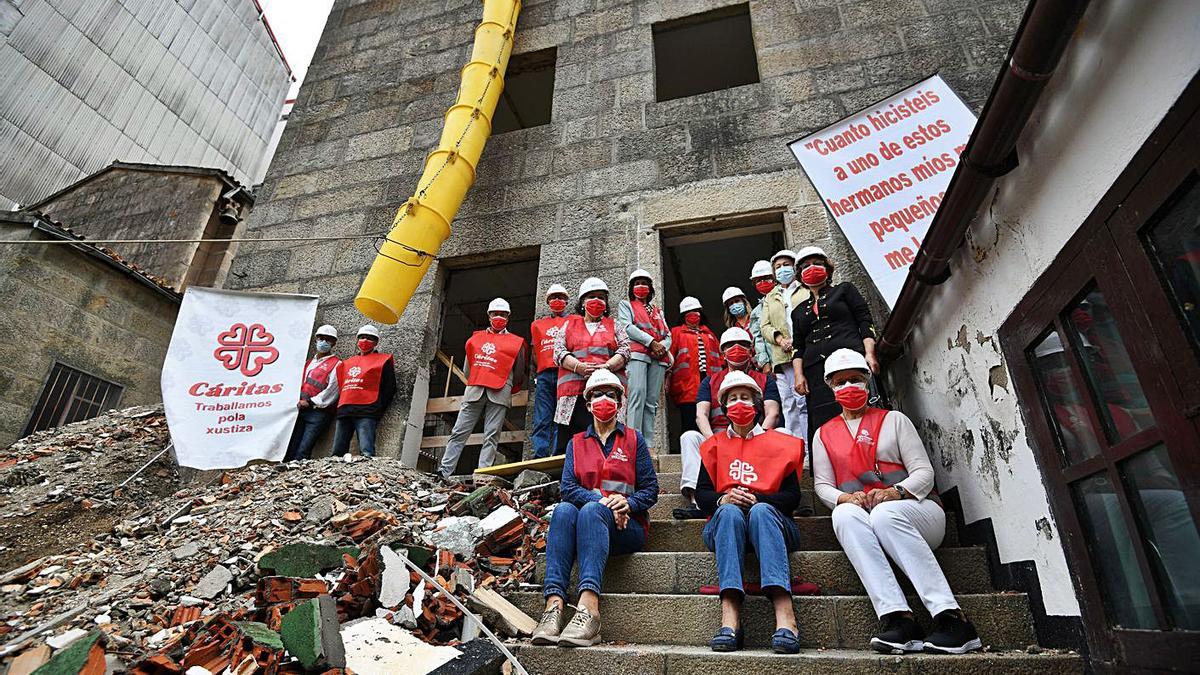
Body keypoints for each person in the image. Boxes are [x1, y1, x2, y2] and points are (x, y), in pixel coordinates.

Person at [813, 349, 981, 655]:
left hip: (919, 514)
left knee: (885, 515)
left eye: (855, 379)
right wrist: (844, 498)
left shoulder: (894, 420)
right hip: (868, 518)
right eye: (840, 382)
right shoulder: (823, 434)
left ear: (867, 381)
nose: (849, 386)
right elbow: (822, 485)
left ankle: (952, 619)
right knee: (843, 516)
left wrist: (896, 492)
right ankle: (899, 620)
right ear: (831, 388)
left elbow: (924, 474)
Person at [532, 369, 659, 648]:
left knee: (589, 511)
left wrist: (627, 502)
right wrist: (603, 501)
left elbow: (651, 490)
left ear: (620, 403)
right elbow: (568, 488)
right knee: (565, 510)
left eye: (611, 395)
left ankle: (589, 609)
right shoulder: (576, 443)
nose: (605, 399)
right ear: (588, 404)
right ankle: (553, 606)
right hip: (590, 526)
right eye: (598, 394)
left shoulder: (635, 440)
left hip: (628, 528)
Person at [695, 371, 805, 654]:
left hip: (774, 524)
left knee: (761, 512)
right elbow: (703, 495)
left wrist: (758, 499)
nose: (739, 403)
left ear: (756, 404)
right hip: (726, 526)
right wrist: (724, 499)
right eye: (732, 398)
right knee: (730, 512)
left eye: (745, 397)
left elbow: (793, 497)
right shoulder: (714, 446)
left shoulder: (781, 443)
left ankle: (785, 615)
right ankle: (730, 615)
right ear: (724, 407)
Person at [678, 327, 782, 515]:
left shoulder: (765, 380)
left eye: (743, 344)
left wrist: (756, 438)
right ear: (722, 353)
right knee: (689, 437)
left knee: (784, 435)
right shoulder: (709, 381)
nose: (736, 348)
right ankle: (697, 502)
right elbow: (700, 415)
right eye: (730, 345)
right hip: (719, 438)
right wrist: (714, 442)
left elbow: (772, 414)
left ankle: (775, 497)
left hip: (755, 437)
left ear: (751, 350)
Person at [789, 246, 879, 447]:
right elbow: (798, 345)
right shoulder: (798, 311)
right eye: (805, 266)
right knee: (825, 421)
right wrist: (798, 374)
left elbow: (865, 321)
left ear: (827, 269)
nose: (811, 268)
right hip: (815, 373)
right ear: (799, 275)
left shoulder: (844, 290)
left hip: (850, 363)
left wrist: (870, 353)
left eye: (817, 264)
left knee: (860, 414)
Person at [438, 298, 528, 479]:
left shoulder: (516, 343)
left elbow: (519, 371)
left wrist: (507, 383)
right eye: (496, 314)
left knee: (492, 435)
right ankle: (444, 471)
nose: (499, 317)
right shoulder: (475, 339)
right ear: (489, 316)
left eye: (503, 315)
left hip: (500, 392)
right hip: (475, 390)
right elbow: (467, 368)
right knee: (459, 431)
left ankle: (483, 473)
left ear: (508, 317)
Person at [553, 277, 631, 453]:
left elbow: (626, 350)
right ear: (582, 302)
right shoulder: (569, 324)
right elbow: (558, 351)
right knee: (569, 443)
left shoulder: (614, 325)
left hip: (604, 394)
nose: (596, 301)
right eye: (591, 296)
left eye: (601, 297)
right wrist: (578, 366)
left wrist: (607, 367)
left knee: (604, 442)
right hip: (573, 393)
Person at [759, 249, 810, 442]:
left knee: (803, 401)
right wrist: (780, 339)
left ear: (795, 267)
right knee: (788, 403)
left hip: (803, 353)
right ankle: (796, 445)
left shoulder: (805, 290)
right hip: (781, 356)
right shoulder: (770, 296)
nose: (782, 270)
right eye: (778, 267)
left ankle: (807, 446)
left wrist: (797, 341)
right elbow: (764, 326)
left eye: (786, 265)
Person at [617, 269, 671, 442]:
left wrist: (662, 347)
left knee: (652, 401)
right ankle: (633, 440)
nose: (641, 286)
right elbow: (627, 327)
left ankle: (647, 444)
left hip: (658, 358)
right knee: (637, 395)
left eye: (644, 283)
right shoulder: (626, 305)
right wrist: (651, 342)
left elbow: (668, 335)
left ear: (650, 288)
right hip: (638, 355)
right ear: (632, 287)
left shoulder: (658, 311)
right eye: (637, 283)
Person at [333, 325, 395, 457]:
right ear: (357, 340)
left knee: (366, 451)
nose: (365, 340)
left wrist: (378, 407)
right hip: (345, 410)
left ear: (376, 342)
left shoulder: (383, 360)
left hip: (367, 411)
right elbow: (341, 386)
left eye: (370, 338)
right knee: (337, 452)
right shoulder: (347, 363)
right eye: (362, 337)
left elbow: (390, 387)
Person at [285, 324, 341, 462]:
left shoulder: (337, 364)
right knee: (290, 447)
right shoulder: (308, 362)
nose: (324, 342)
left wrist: (310, 402)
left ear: (334, 343)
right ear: (316, 339)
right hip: (299, 410)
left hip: (318, 412)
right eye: (321, 338)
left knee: (303, 450)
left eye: (328, 339)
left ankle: (298, 478)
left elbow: (332, 391)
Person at [667, 296, 722, 434]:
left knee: (710, 422)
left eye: (696, 311)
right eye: (690, 312)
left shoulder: (709, 334)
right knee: (690, 424)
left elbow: (720, 358)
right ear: (684, 315)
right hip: (686, 388)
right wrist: (666, 380)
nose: (694, 315)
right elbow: (668, 360)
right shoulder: (676, 333)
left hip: (710, 385)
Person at [530, 284, 570, 458]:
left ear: (567, 301)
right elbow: (534, 352)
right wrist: (540, 371)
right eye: (553, 297)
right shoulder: (537, 325)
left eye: (560, 297)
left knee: (563, 417)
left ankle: (558, 454)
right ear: (547, 301)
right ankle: (540, 455)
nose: (557, 300)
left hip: (566, 373)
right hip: (545, 375)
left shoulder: (574, 321)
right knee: (542, 417)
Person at [748, 260, 777, 372]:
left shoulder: (787, 299)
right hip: (774, 364)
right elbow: (758, 339)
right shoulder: (756, 312)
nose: (763, 282)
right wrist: (764, 362)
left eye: (766, 278)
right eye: (759, 280)